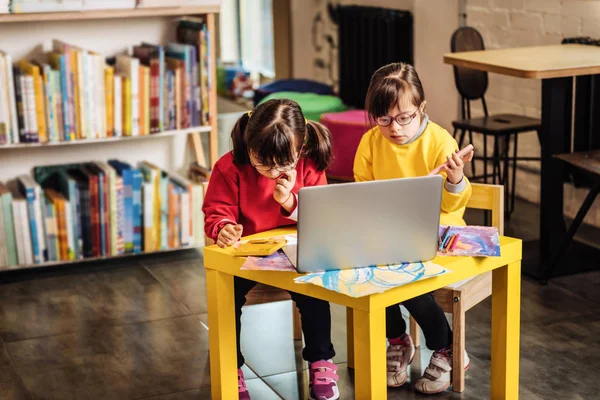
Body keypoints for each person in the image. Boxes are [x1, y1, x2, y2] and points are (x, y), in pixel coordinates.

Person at [203, 98, 340, 400]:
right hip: (246, 254)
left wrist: (290, 201)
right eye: (263, 162)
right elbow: (216, 209)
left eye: (284, 163)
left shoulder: (310, 162)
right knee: (227, 293)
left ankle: (321, 360)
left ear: (300, 148)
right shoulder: (229, 167)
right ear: (249, 145)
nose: (272, 171)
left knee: (314, 290)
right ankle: (231, 365)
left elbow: (322, 216)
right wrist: (224, 227)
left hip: (294, 253)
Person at [354, 62, 475, 394]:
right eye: (384, 119)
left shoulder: (439, 141)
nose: (394, 128)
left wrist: (454, 180)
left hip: (438, 240)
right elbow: (361, 195)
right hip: (390, 239)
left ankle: (447, 346)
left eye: (404, 117)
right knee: (366, 270)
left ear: (421, 108)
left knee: (407, 278)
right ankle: (398, 339)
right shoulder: (370, 143)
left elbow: (454, 208)